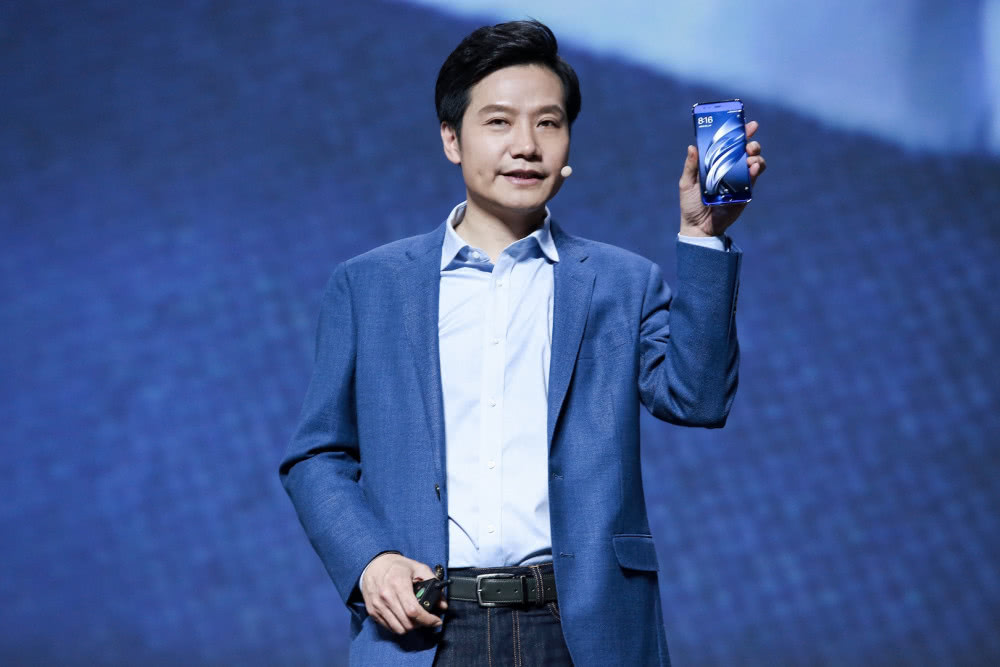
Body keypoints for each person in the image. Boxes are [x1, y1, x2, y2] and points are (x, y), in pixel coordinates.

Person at [279, 19, 766, 667]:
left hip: (581, 628)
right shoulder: (369, 284)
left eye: (548, 122)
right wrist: (370, 561)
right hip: (425, 630)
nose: (527, 146)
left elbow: (698, 399)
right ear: (451, 139)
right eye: (499, 122)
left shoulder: (622, 282)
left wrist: (702, 237)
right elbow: (316, 455)